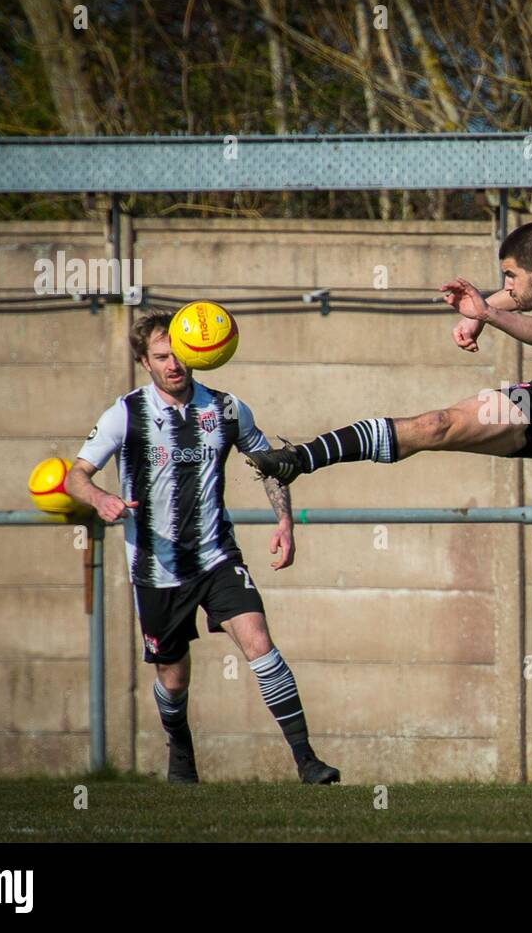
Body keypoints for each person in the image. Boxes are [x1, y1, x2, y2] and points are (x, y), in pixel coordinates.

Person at [246, 223, 532, 725]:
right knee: (437, 425)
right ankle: (301, 458)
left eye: (509, 278)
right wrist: (484, 312)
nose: (505, 288)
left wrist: (487, 311)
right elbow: (526, 299)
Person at [65, 312, 340, 784]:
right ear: (144, 362)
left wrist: (285, 521)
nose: (174, 365)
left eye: (180, 354)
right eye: (161, 357)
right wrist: (100, 498)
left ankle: (307, 761)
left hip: (217, 557)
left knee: (260, 644)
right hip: (156, 570)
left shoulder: (228, 409)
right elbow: (75, 476)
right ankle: (182, 753)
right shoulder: (125, 414)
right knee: (173, 680)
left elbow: (268, 464)